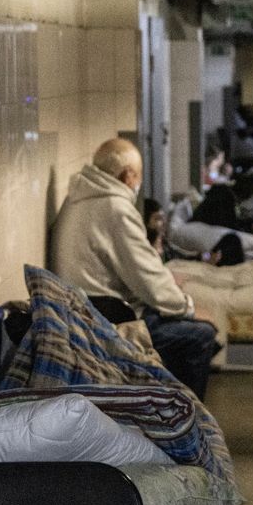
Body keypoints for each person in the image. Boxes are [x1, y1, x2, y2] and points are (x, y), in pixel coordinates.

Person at [49, 138, 220, 399]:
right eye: (138, 176)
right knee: (200, 335)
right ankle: (186, 418)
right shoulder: (115, 208)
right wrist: (189, 309)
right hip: (107, 321)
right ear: (128, 175)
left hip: (85, 311)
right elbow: (149, 279)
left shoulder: (78, 198)